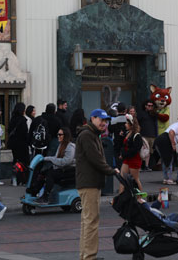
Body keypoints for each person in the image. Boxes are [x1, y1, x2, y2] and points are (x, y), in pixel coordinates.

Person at [75, 108, 119, 260]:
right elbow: (96, 158)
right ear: (92, 118)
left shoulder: (92, 134)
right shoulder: (87, 135)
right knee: (91, 221)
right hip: (89, 183)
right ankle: (89, 256)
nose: (104, 123)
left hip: (90, 182)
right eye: (101, 120)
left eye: (106, 121)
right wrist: (111, 171)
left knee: (87, 221)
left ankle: (85, 255)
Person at [34, 126, 76, 204]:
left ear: (65, 136)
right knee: (43, 172)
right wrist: (45, 158)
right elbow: (56, 158)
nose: (58, 136)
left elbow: (65, 162)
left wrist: (50, 159)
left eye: (60, 134)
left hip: (70, 171)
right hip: (63, 169)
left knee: (51, 174)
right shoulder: (61, 145)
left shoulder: (70, 147)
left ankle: (45, 197)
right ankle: (34, 193)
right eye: (58, 134)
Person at [119, 114, 144, 193]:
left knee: (135, 179)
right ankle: (120, 197)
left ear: (131, 125)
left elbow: (135, 150)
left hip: (134, 160)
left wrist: (124, 154)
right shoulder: (127, 133)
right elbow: (124, 145)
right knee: (122, 178)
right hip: (127, 159)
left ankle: (140, 197)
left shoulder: (137, 136)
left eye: (127, 123)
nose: (125, 125)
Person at [8, 102, 30, 170]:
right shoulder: (23, 120)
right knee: (23, 163)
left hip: (14, 144)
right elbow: (25, 133)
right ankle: (22, 177)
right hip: (22, 145)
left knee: (16, 161)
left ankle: (15, 176)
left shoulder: (12, 119)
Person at [138, 100, 158, 170]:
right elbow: (138, 124)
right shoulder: (141, 114)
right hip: (144, 135)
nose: (150, 107)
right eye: (149, 106)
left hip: (152, 135)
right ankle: (140, 166)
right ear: (145, 106)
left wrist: (156, 135)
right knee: (142, 151)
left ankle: (146, 166)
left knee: (149, 151)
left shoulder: (154, 114)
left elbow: (156, 125)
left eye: (152, 106)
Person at [110, 102, 128, 168]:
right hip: (127, 141)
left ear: (117, 110)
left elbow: (110, 130)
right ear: (125, 110)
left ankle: (120, 172)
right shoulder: (128, 119)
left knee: (118, 160)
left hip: (117, 141)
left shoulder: (113, 120)